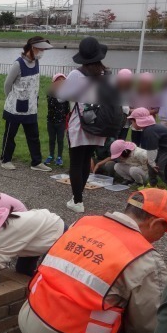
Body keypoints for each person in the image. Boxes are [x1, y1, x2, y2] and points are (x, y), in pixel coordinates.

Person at [18, 189, 167, 333]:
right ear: (155, 222)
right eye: (164, 231)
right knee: (128, 309)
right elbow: (145, 326)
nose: (161, 237)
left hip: (27, 322)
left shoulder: (84, 223)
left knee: (61, 282)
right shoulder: (145, 258)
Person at [56, 36, 111, 214]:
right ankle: (78, 197)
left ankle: (77, 200)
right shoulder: (106, 74)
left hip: (80, 123)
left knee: (76, 163)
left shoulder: (76, 74)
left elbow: (61, 96)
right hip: (98, 124)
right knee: (87, 159)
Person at [0, 37, 54, 171]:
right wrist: (12, 99)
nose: (42, 52)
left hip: (31, 107)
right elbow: (7, 85)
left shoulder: (36, 62)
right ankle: (6, 160)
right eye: (40, 49)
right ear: (32, 48)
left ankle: (36, 162)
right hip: (15, 108)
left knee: (33, 135)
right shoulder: (18, 64)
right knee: (10, 135)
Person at [128, 108, 167, 196]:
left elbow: (152, 149)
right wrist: (151, 162)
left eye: (132, 122)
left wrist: (152, 162)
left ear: (138, 121)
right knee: (151, 165)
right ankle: (153, 184)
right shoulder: (148, 129)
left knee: (162, 168)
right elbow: (151, 149)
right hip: (163, 147)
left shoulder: (150, 131)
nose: (132, 125)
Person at [44, 73, 69, 167]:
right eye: (58, 81)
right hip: (51, 120)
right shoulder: (50, 94)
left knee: (60, 139)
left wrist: (66, 118)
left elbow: (67, 108)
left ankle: (59, 157)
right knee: (52, 139)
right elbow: (51, 104)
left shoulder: (66, 95)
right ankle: (51, 155)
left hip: (61, 121)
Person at [115, 68, 135, 141]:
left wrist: (130, 110)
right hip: (115, 121)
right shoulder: (114, 90)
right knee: (112, 141)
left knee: (122, 141)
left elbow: (133, 104)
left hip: (126, 122)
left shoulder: (132, 91)